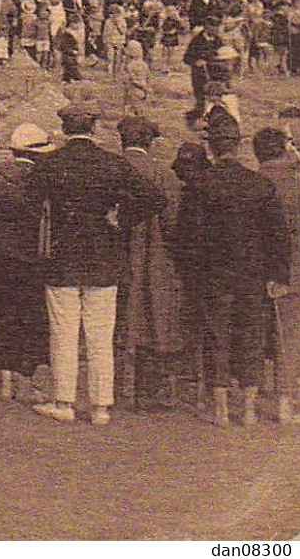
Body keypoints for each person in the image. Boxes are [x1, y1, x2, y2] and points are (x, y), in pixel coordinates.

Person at [28, 97, 147, 426]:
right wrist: (120, 218)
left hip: (61, 255)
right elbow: (153, 197)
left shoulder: (50, 163)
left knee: (63, 332)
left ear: (65, 128)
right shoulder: (113, 163)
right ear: (94, 127)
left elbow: (29, 202)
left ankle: (64, 401)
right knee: (100, 334)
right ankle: (100, 407)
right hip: (104, 256)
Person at [175, 117, 291, 426]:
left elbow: (187, 239)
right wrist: (278, 277)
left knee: (217, 336)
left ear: (210, 146)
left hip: (214, 277)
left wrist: (191, 276)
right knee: (251, 336)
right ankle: (250, 407)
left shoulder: (199, 185)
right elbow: (278, 236)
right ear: (239, 145)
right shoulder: (260, 185)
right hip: (254, 276)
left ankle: (223, 407)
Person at [0, 123, 53, 404]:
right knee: (26, 317)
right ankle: (24, 379)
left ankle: (3, 375)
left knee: (0, 313)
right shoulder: (40, 178)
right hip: (28, 254)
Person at [116, 115, 184, 414]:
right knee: (153, 320)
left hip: (116, 256)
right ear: (149, 142)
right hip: (156, 258)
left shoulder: (113, 168)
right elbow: (173, 224)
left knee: (114, 322)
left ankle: (114, 388)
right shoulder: (165, 175)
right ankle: (145, 392)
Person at [253, 127, 300, 424]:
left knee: (259, 332)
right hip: (293, 271)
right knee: (290, 336)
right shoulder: (297, 186)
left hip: (253, 271)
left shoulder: (254, 182)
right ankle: (286, 402)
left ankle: (256, 391)